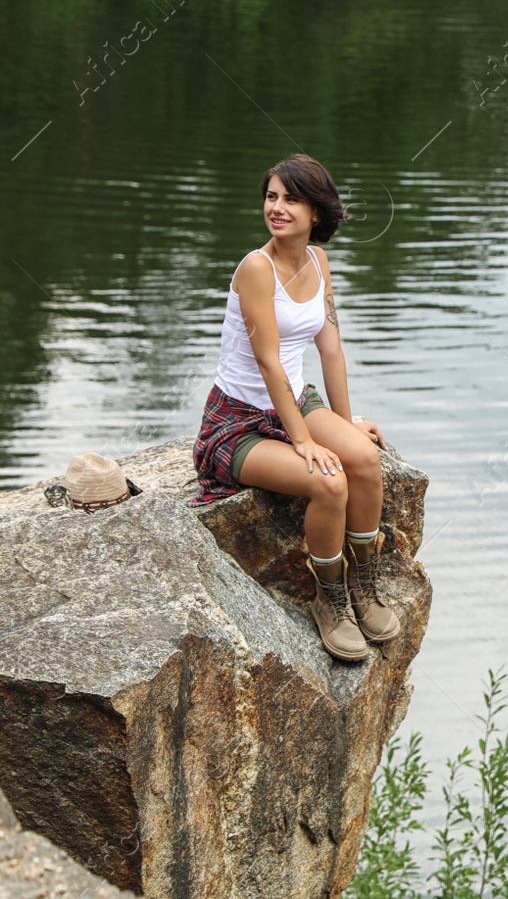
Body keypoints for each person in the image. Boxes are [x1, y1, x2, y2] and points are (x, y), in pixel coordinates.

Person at [189, 153, 398, 663]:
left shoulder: (319, 263)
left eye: (290, 199)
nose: (276, 208)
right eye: (271, 196)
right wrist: (304, 442)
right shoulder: (256, 269)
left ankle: (363, 586)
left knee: (365, 460)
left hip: (297, 402)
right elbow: (267, 363)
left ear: (317, 212)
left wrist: (343, 423)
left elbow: (330, 348)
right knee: (328, 482)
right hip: (237, 422)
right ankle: (329, 599)